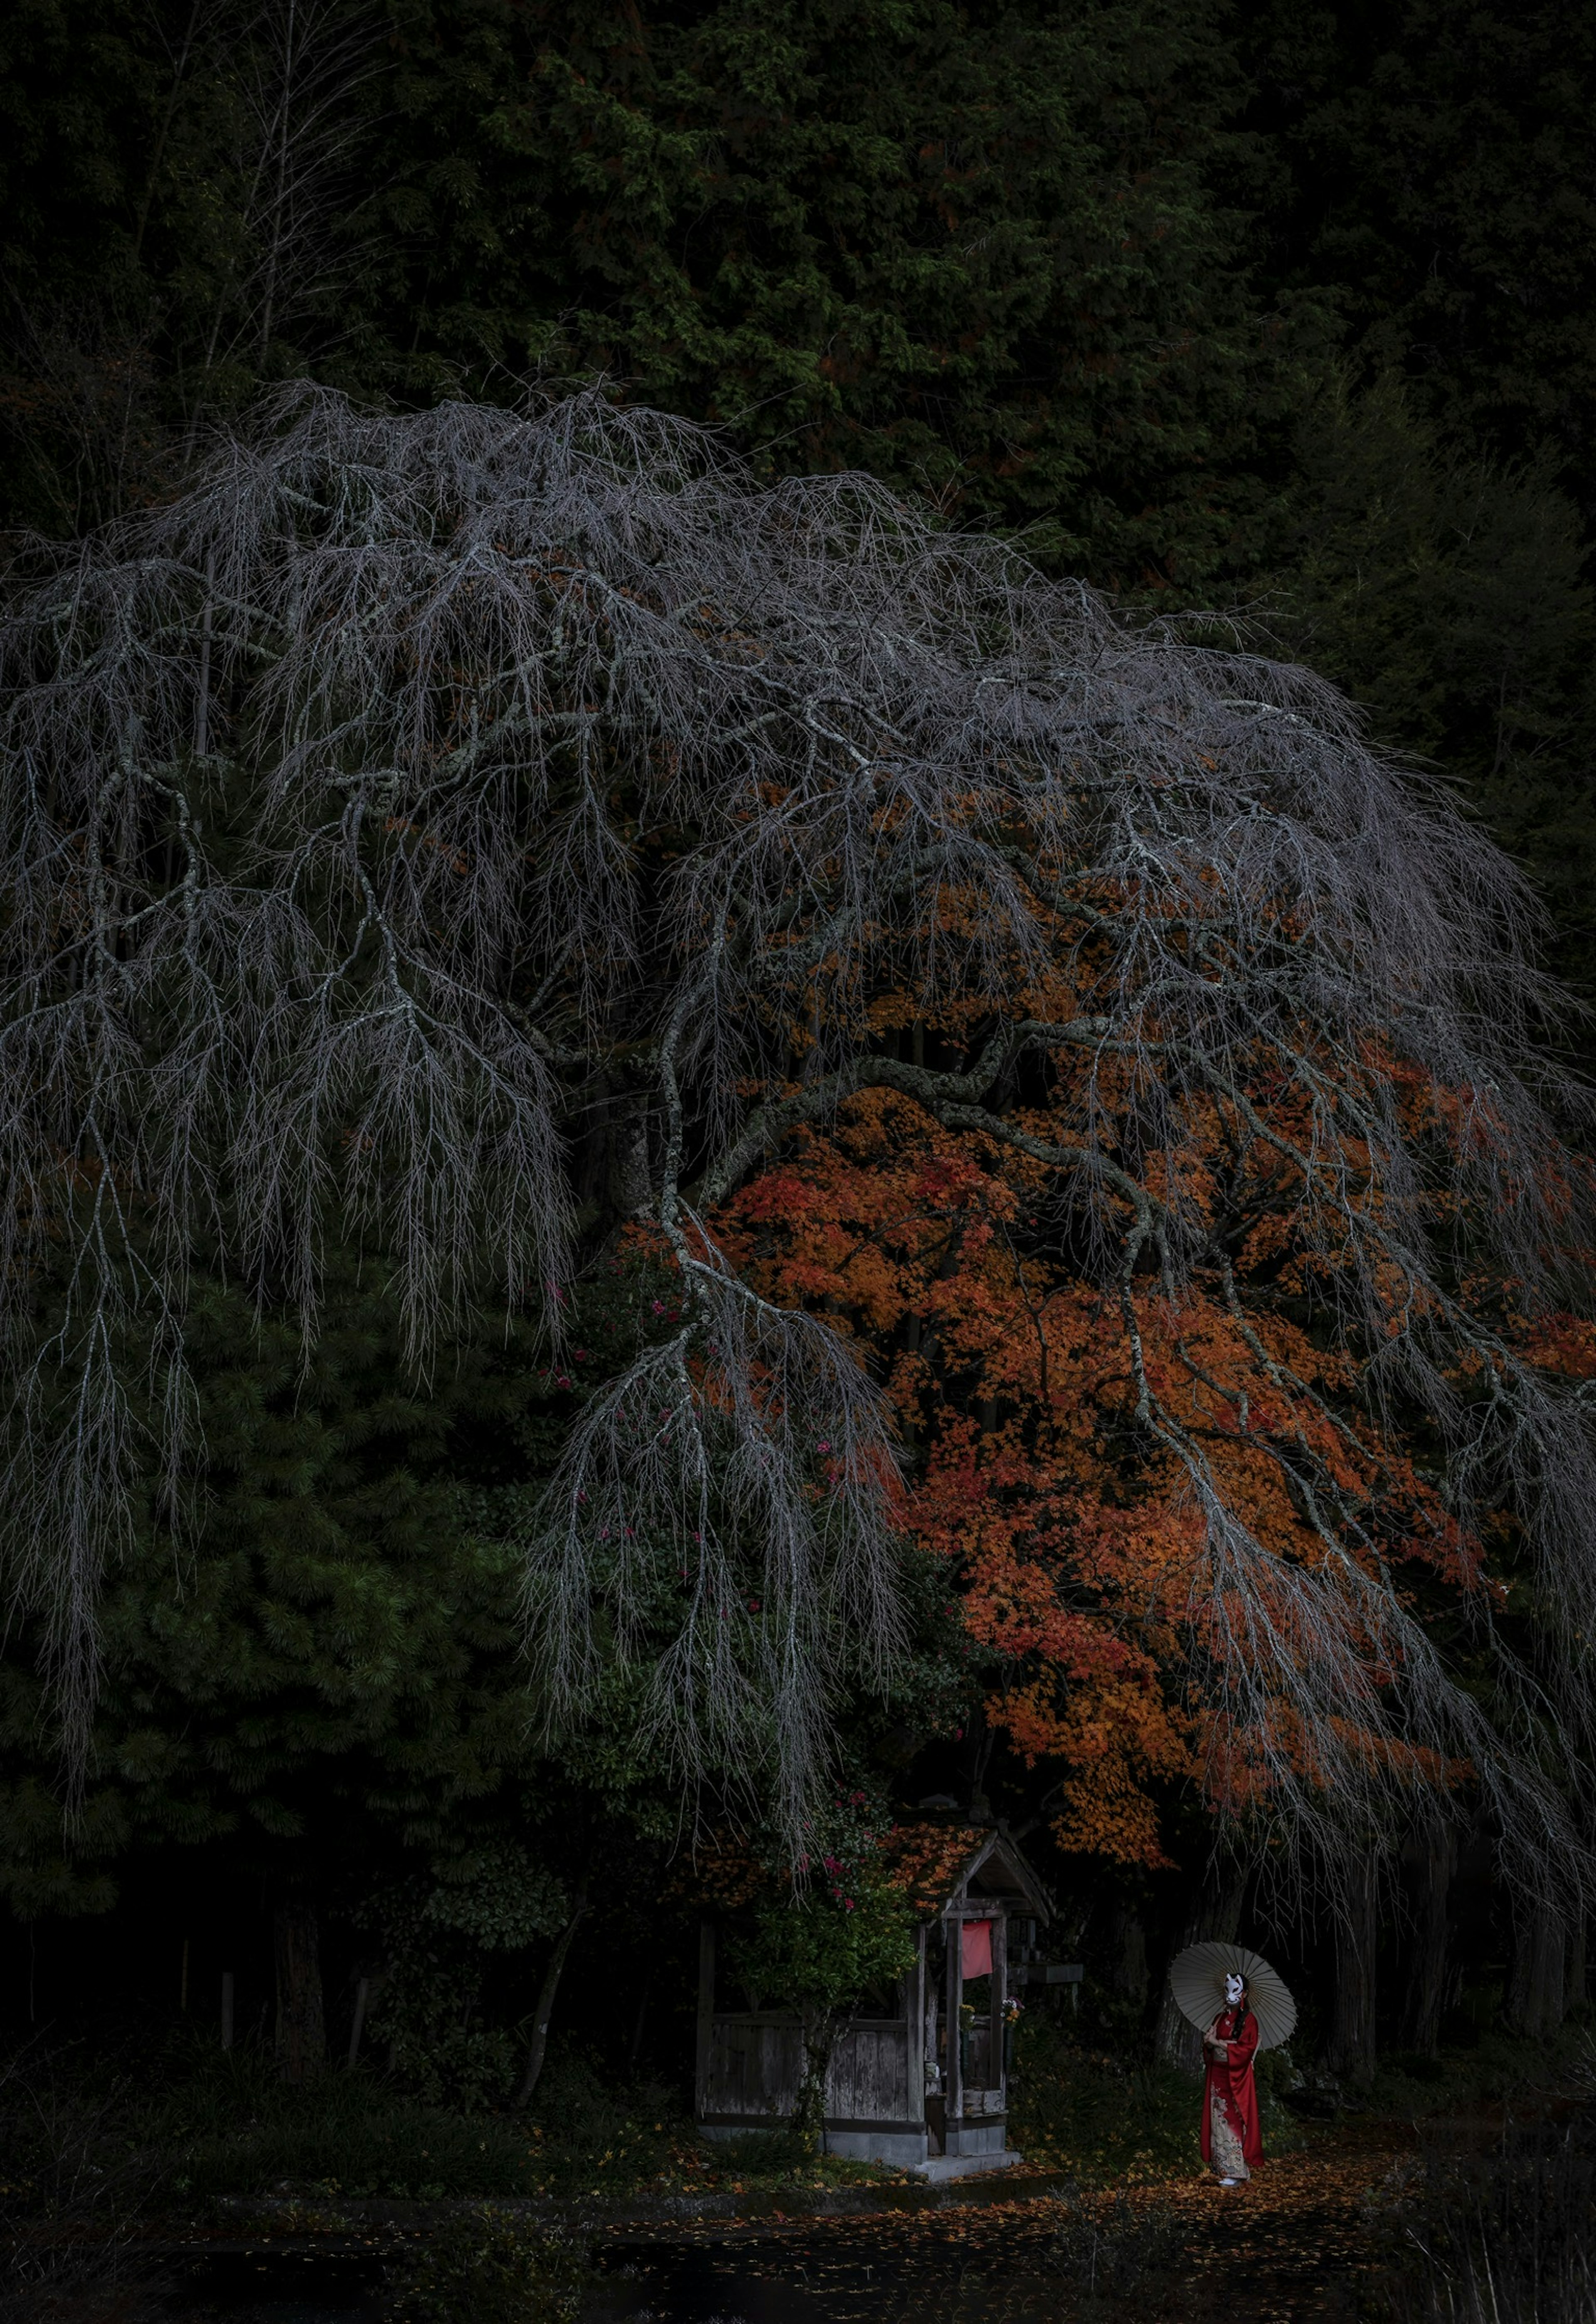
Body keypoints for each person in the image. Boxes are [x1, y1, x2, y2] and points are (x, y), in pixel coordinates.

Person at [1201, 1969, 1262, 2185]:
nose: (1230, 1994)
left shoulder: (1250, 2021)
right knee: (1219, 2121)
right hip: (1217, 2073)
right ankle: (1223, 2168)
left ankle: (1237, 2171)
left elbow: (1246, 2049)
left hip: (1237, 2076)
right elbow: (1210, 2047)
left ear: (1243, 1994)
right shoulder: (1220, 2018)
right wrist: (1208, 2042)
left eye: (1235, 1990)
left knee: (1234, 2121)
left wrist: (1218, 2043)